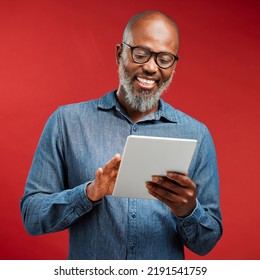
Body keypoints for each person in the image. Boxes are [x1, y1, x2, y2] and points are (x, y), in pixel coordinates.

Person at [20, 10, 222, 260]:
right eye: (140, 54)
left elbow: (206, 242)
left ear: (174, 65)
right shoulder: (66, 123)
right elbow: (32, 216)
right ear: (119, 54)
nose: (150, 67)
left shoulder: (197, 135)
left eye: (164, 59)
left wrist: (188, 211)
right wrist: (89, 193)